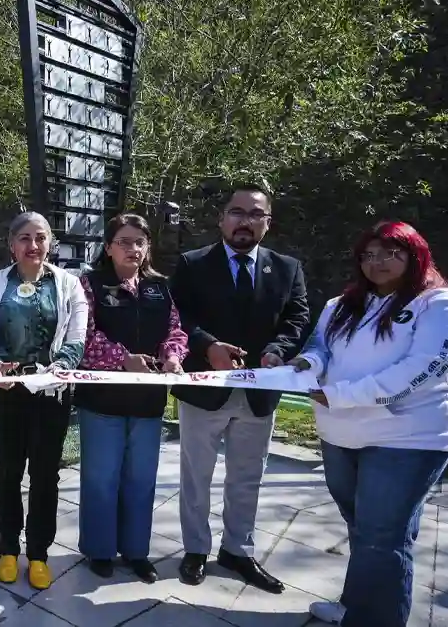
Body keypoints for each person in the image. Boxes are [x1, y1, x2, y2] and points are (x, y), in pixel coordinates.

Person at [292, 221, 448, 627]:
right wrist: (306, 364)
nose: (377, 262)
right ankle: (356, 604)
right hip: (340, 433)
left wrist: (343, 394)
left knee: (383, 537)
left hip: (407, 438)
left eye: (390, 253)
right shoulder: (341, 304)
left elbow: (424, 369)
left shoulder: (440, 304)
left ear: (414, 254)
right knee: (365, 529)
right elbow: (319, 347)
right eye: (368, 255)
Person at [169, 183, 309, 592]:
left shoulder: (287, 268)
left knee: (247, 477)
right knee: (196, 477)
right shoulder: (193, 264)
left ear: (268, 222)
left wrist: (277, 351)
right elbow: (177, 316)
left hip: (259, 393)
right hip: (204, 391)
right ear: (222, 219)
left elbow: (298, 318)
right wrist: (207, 346)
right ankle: (196, 548)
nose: (245, 221)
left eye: (255, 214)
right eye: (237, 212)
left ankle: (238, 550)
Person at [74, 213, 188, 583]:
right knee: (101, 479)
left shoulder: (160, 287)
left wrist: (172, 356)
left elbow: (175, 331)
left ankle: (137, 552)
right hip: (102, 402)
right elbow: (83, 337)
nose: (133, 249)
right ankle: (99, 550)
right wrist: (123, 359)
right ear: (108, 247)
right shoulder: (90, 284)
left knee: (141, 480)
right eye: (124, 241)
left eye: (140, 242)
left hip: (148, 402)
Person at [0, 211, 88, 590]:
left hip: (51, 393)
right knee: (7, 471)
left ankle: (39, 553)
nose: (33, 245)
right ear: (12, 244)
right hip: (8, 392)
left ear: (50, 243)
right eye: (25, 238)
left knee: (45, 475)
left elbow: (77, 336)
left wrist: (61, 367)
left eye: (40, 237)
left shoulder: (69, 285)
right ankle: (7, 549)